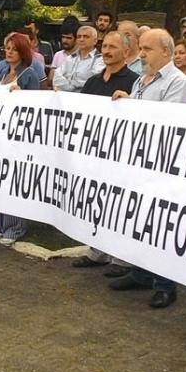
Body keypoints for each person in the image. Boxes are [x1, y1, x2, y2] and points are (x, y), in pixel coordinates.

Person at [108, 28, 186, 309]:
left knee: (162, 224)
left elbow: (167, 121)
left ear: (167, 52)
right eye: (140, 48)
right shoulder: (143, 81)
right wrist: (128, 102)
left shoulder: (177, 82)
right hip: (140, 161)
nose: (141, 54)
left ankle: (166, 285)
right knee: (140, 219)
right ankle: (142, 273)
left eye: (147, 49)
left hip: (164, 164)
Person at [70, 31, 139, 269]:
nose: (107, 51)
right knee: (95, 199)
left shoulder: (134, 81)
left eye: (113, 47)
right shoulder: (93, 81)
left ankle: (120, 254)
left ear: (126, 52)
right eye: (105, 46)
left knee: (118, 203)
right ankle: (97, 249)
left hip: (120, 154)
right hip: (93, 152)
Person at [0, 32, 40, 246]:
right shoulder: (2, 71)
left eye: (14, 49)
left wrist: (23, 97)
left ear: (23, 51)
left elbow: (37, 106)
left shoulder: (28, 74)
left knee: (13, 181)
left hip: (17, 138)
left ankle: (15, 227)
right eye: (7, 48)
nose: (9, 52)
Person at [53, 25, 103, 91]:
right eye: (79, 37)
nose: (81, 39)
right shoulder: (70, 58)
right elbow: (56, 77)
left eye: (86, 37)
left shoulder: (100, 60)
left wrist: (69, 83)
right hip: (66, 97)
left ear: (95, 41)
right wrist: (71, 87)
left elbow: (93, 83)